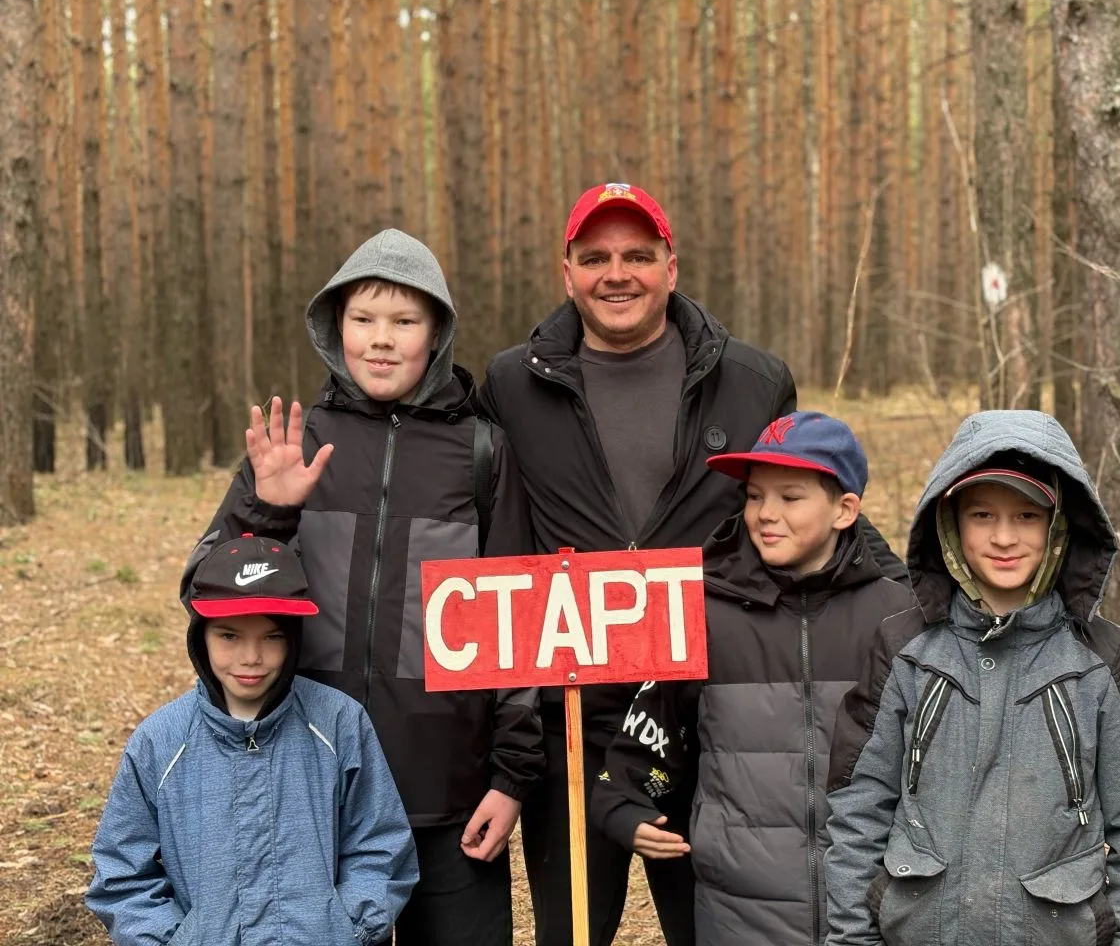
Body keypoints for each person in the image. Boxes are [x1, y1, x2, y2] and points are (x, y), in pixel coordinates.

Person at [478, 182, 908, 946]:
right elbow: (496, 540)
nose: (617, 274)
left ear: (671, 268)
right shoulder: (513, 383)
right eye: (595, 258)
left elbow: (799, 500)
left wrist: (911, 595)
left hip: (701, 719)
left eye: (638, 256)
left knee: (709, 928)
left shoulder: (752, 380)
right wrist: (511, 749)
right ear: (566, 273)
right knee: (569, 933)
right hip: (571, 722)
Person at [181, 229, 541, 945]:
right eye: (363, 319)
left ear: (436, 333)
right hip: (312, 790)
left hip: (449, 793)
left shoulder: (482, 452)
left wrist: (509, 780)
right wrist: (267, 511)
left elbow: (519, 624)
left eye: (404, 320)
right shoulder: (298, 443)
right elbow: (204, 590)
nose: (381, 339)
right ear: (334, 327)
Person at [824, 409, 1120, 946]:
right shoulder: (904, 651)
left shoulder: (1102, 661)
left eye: (1028, 516)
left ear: (1059, 525)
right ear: (950, 523)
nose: (1005, 537)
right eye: (983, 514)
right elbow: (858, 809)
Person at [591, 411, 922, 946]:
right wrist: (622, 805)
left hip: (872, 909)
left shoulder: (900, 617)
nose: (766, 513)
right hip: (737, 910)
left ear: (844, 510)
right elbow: (648, 737)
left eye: (790, 498)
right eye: (754, 496)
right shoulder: (702, 615)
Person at [87, 535, 417, 945]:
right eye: (229, 636)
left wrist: (348, 931)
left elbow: (380, 845)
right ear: (200, 637)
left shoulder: (339, 722)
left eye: (271, 637)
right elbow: (122, 873)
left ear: (294, 638)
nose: (250, 657)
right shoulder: (161, 740)